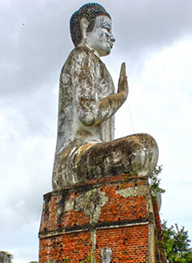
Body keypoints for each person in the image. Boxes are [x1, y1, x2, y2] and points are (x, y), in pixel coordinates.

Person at [53, 3, 158, 190]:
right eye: (106, 29)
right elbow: (89, 114)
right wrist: (121, 96)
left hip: (94, 152)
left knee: (144, 160)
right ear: (86, 26)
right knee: (142, 148)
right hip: (73, 159)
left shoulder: (98, 65)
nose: (112, 37)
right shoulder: (81, 55)